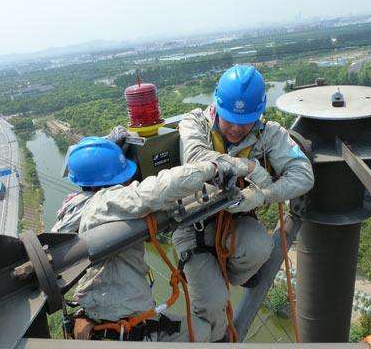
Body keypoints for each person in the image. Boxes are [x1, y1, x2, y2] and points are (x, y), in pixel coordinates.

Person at [52, 134, 251, 342]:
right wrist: (213, 167)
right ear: (102, 185)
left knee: (200, 330)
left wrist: (108, 148)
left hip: (105, 315)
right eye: (123, 177)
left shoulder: (71, 209)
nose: (128, 181)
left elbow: (89, 164)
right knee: (200, 331)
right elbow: (161, 188)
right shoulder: (105, 202)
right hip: (124, 325)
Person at [173, 64, 315, 341]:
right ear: (217, 107)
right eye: (229, 120)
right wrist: (249, 167)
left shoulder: (268, 134)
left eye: (245, 121)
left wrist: (263, 195)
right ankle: (217, 336)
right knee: (212, 305)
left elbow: (303, 175)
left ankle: (232, 274)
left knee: (259, 248)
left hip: (236, 220)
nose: (237, 129)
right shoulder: (195, 123)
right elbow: (196, 158)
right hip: (192, 225)